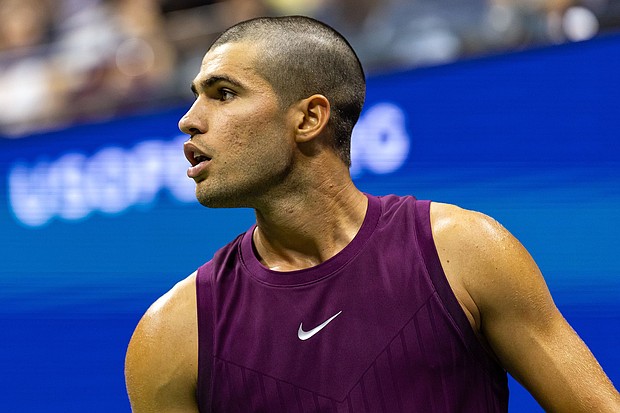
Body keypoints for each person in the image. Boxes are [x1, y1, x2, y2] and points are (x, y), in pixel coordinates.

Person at [124, 15, 620, 412]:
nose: (189, 120)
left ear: (309, 118)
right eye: (195, 98)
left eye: (223, 94)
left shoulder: (463, 251)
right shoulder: (170, 334)